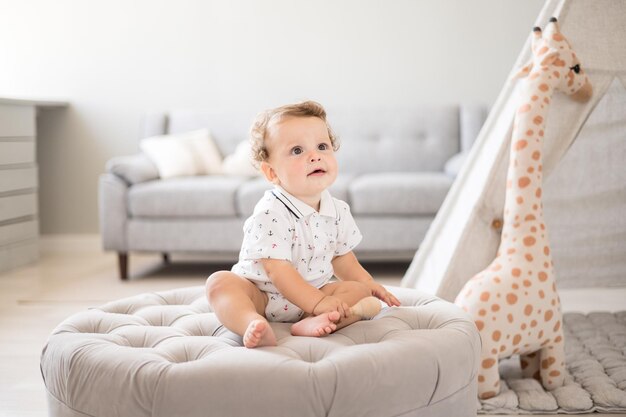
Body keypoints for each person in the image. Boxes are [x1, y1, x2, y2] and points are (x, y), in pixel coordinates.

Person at [206, 101, 401, 348]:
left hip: (315, 293)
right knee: (220, 284)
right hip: (261, 295)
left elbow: (342, 258)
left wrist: (368, 283)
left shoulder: (337, 211)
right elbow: (278, 271)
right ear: (272, 173)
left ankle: (312, 321)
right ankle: (251, 323)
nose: (314, 155)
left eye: (322, 146)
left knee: (358, 293)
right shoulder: (270, 212)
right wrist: (317, 302)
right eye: (297, 150)